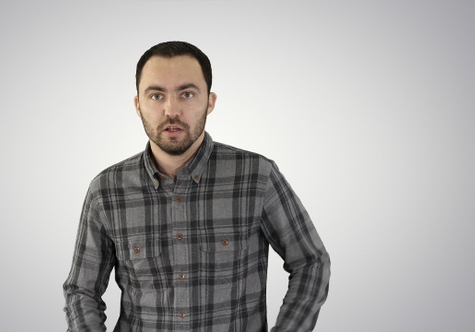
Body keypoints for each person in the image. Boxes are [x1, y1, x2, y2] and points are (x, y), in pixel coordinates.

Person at [63, 41, 330, 332]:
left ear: (210, 101)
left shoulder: (256, 176)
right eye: (156, 95)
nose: (171, 110)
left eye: (187, 94)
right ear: (138, 104)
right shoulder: (106, 190)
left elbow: (310, 262)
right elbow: (81, 291)